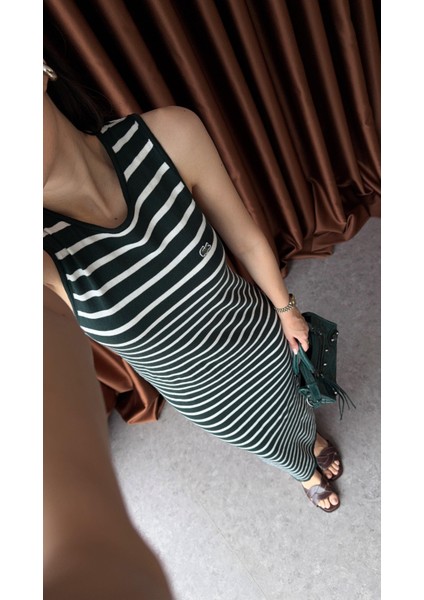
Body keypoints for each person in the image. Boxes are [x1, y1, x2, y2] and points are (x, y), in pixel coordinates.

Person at [43, 54, 342, 598]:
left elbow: (245, 238)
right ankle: (303, 470)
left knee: (296, 399)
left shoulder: (169, 136)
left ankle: (311, 436)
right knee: (267, 442)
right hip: (201, 394)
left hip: (258, 333)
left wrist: (286, 308)